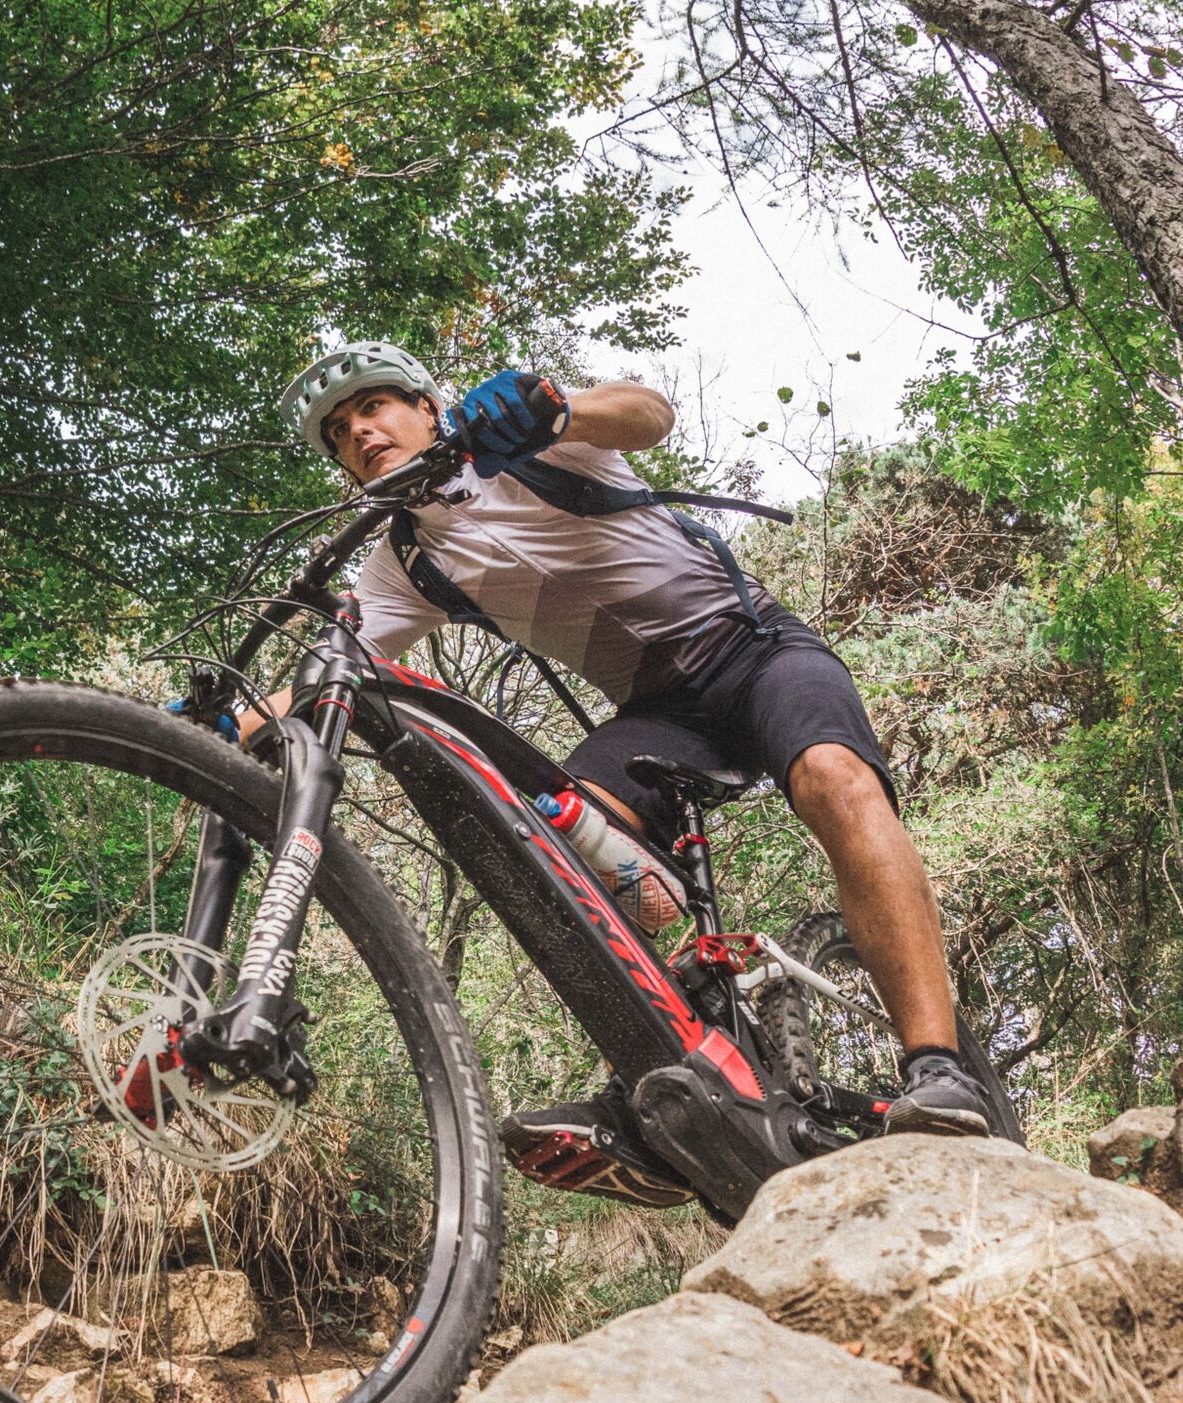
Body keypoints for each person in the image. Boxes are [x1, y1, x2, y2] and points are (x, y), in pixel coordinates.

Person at [271, 340, 996, 1204]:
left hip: (756, 651)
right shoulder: (405, 563)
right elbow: (321, 676)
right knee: (547, 850)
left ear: (428, 407)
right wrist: (209, 720)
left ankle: (941, 1068)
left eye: (373, 407)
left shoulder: (526, 444)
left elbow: (648, 414)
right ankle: (660, 1088)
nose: (360, 433)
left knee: (834, 779)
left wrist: (555, 409)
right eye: (340, 433)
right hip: (660, 714)